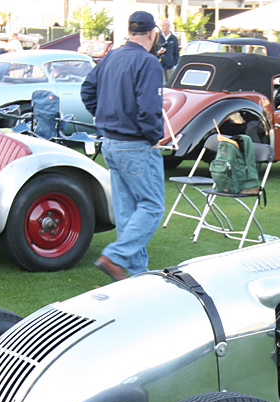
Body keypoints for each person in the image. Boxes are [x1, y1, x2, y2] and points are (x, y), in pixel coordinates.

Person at [81, 11, 167, 281]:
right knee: (152, 206)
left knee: (128, 212)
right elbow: (149, 108)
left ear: (130, 32)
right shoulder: (148, 62)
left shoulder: (111, 56)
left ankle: (136, 275)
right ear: (153, 34)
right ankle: (116, 257)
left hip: (111, 142)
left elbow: (87, 90)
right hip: (135, 144)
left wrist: (106, 115)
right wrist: (153, 136)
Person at [155, 19, 180, 84]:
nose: (162, 27)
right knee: (161, 85)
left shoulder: (173, 38)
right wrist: (158, 53)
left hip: (170, 66)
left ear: (168, 26)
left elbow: (176, 53)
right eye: (161, 25)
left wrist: (173, 63)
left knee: (171, 84)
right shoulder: (157, 37)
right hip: (160, 66)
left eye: (164, 25)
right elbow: (153, 51)